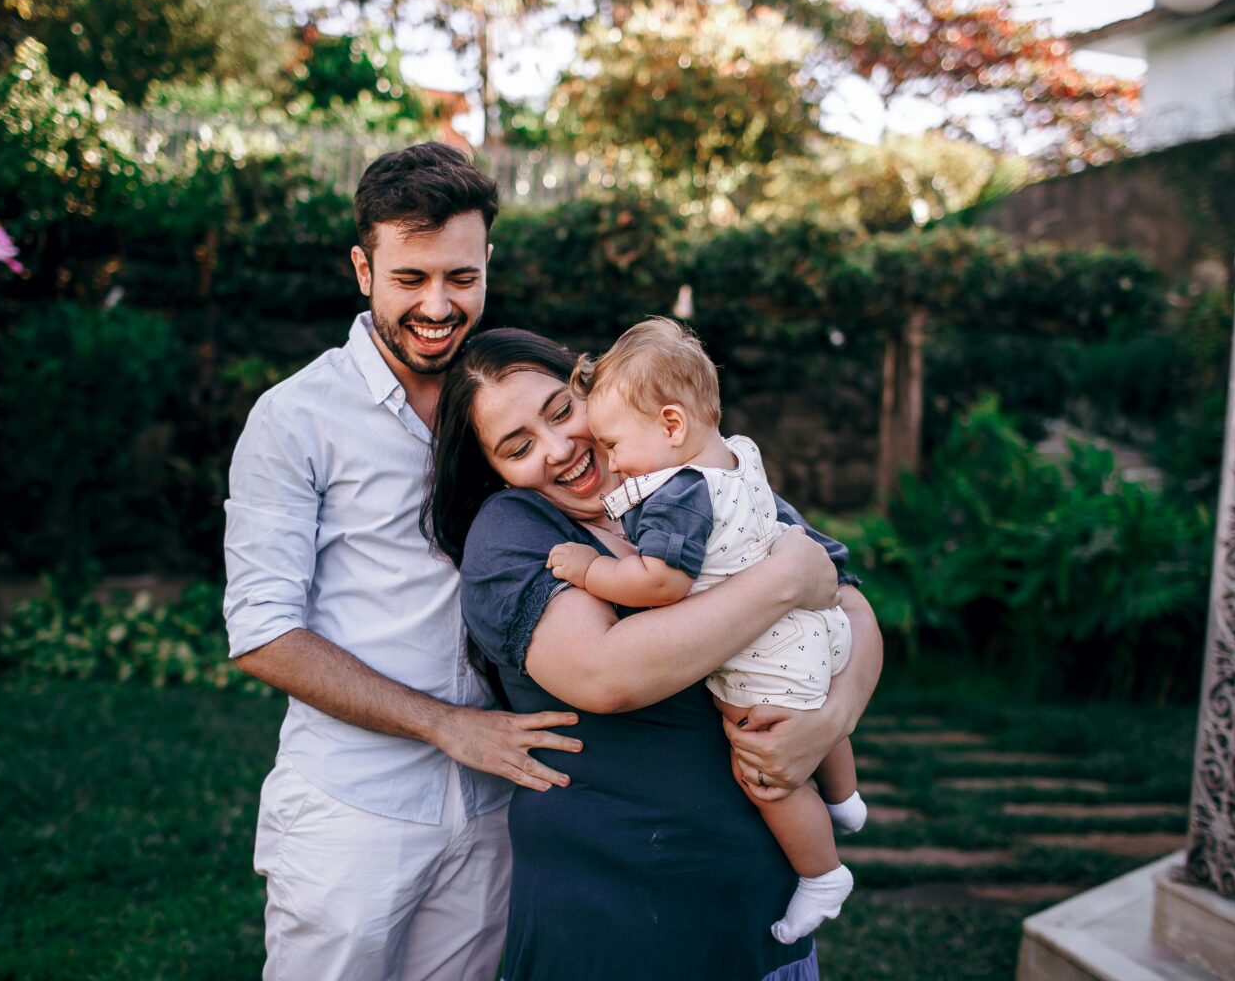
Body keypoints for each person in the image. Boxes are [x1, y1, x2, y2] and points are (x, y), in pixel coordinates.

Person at [222, 142, 585, 981]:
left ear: (488, 263)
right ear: (363, 268)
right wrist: (447, 727)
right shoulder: (295, 418)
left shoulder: (516, 401)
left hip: (501, 802)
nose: (438, 304)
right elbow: (263, 632)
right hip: (355, 810)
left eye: (461, 277)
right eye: (410, 278)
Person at [425, 328, 884, 980]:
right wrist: (786, 580)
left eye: (561, 411)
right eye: (518, 446)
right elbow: (607, 673)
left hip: (762, 928)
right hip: (615, 929)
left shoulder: (694, 479)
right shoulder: (514, 534)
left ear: (595, 390)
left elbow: (855, 612)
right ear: (495, 471)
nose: (559, 450)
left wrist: (829, 722)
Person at [546, 317, 868, 944]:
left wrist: (592, 570)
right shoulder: (738, 456)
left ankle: (822, 873)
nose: (609, 461)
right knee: (816, 701)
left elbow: (660, 581)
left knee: (767, 775)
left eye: (613, 444)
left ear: (671, 425)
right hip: (814, 630)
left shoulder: (678, 493)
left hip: (765, 660)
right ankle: (845, 798)